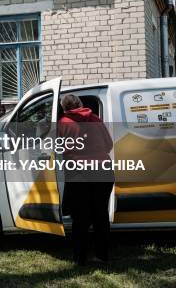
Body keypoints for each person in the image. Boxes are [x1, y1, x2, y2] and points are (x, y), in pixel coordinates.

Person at [58, 94, 114, 266]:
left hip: (80, 172)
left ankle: (80, 257)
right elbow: (109, 145)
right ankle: (102, 256)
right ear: (80, 104)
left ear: (64, 107)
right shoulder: (95, 119)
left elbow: (59, 147)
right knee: (101, 215)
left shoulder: (63, 123)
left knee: (81, 217)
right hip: (103, 171)